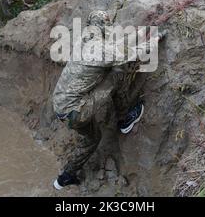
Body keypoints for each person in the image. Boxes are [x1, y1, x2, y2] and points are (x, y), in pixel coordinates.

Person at [52, 10, 166, 190]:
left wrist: (140, 34)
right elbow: (128, 55)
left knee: (92, 139)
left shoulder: (86, 38)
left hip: (61, 107)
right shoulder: (98, 47)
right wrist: (154, 40)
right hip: (77, 110)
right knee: (117, 72)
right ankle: (125, 118)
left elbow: (116, 46)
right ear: (104, 25)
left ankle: (64, 178)